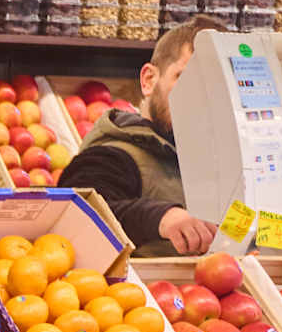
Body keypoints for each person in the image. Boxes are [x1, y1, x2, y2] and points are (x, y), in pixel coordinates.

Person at [59, 15, 229, 257]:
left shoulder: (222, 159)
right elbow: (74, 213)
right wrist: (161, 217)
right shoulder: (112, 155)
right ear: (149, 80)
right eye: (187, 79)